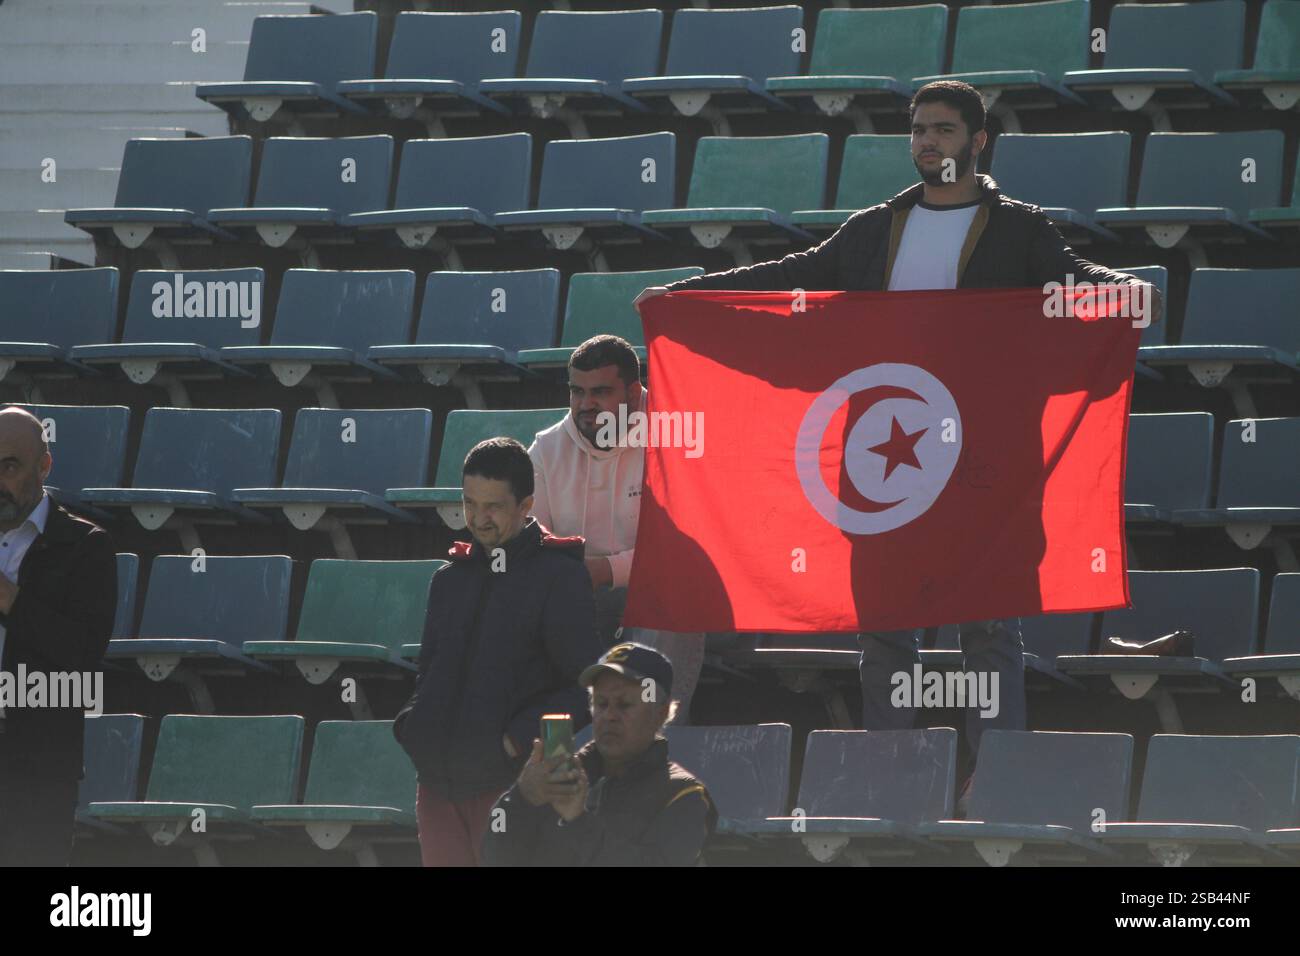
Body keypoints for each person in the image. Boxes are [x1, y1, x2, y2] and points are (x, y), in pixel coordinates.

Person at [632, 80, 1162, 790]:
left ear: (978, 141)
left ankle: (996, 778)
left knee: (989, 631)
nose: (927, 143)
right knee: (884, 630)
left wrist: (1124, 292)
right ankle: (891, 777)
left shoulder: (1020, 229)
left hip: (985, 469)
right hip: (883, 467)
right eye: (918, 130)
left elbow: (1074, 284)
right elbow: (794, 278)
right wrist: (693, 294)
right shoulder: (876, 227)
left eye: (942, 130)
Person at [394, 437, 604, 866]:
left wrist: (516, 744)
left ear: (526, 504)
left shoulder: (560, 577)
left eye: (493, 506)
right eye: (470, 503)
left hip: (514, 788)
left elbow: (586, 688)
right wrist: (414, 727)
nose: (478, 518)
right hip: (435, 784)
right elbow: (428, 671)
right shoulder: (449, 578)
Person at [528, 334, 704, 722]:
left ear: (634, 391)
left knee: (674, 595)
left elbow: (689, 547)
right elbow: (530, 543)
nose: (586, 405)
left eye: (601, 392)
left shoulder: (677, 435)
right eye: (577, 391)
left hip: (670, 601)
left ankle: (655, 744)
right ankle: (552, 751)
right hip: (581, 597)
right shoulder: (545, 450)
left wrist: (606, 569)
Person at [0, 407, 117, 866]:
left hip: (38, 768)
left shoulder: (86, 547)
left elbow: (83, 657)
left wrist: (11, 600)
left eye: (9, 466)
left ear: (44, 466)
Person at [482, 642, 715, 867]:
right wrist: (519, 798)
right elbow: (493, 853)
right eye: (601, 704)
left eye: (624, 705)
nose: (609, 716)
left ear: (660, 714)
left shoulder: (684, 795)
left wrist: (577, 822)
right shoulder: (558, 779)